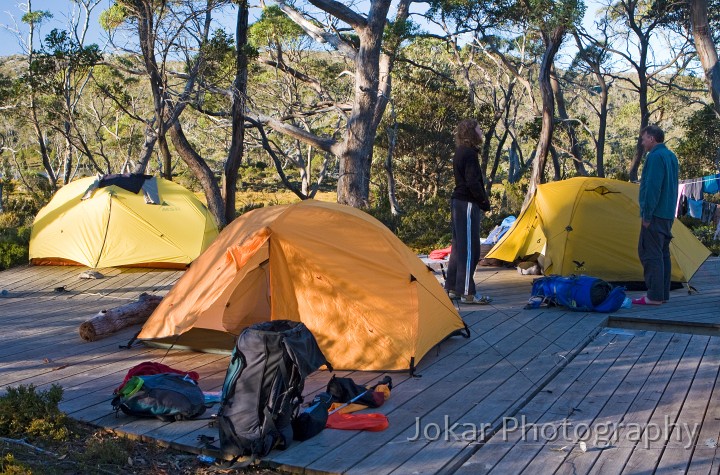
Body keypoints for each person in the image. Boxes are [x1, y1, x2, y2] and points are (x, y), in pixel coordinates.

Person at [444, 118, 492, 305]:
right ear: (471, 132)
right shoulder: (469, 154)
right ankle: (467, 292)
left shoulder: (460, 152)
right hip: (467, 203)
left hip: (458, 202)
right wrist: (483, 201)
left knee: (459, 247)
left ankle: (453, 288)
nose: (481, 131)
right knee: (471, 248)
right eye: (479, 128)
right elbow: (472, 182)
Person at [633, 124, 679, 306]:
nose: (642, 143)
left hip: (656, 214)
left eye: (644, 139)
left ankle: (654, 296)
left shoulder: (655, 157)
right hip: (668, 213)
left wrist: (647, 215)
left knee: (649, 253)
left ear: (652, 138)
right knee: (662, 253)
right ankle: (662, 294)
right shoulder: (671, 156)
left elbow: (652, 187)